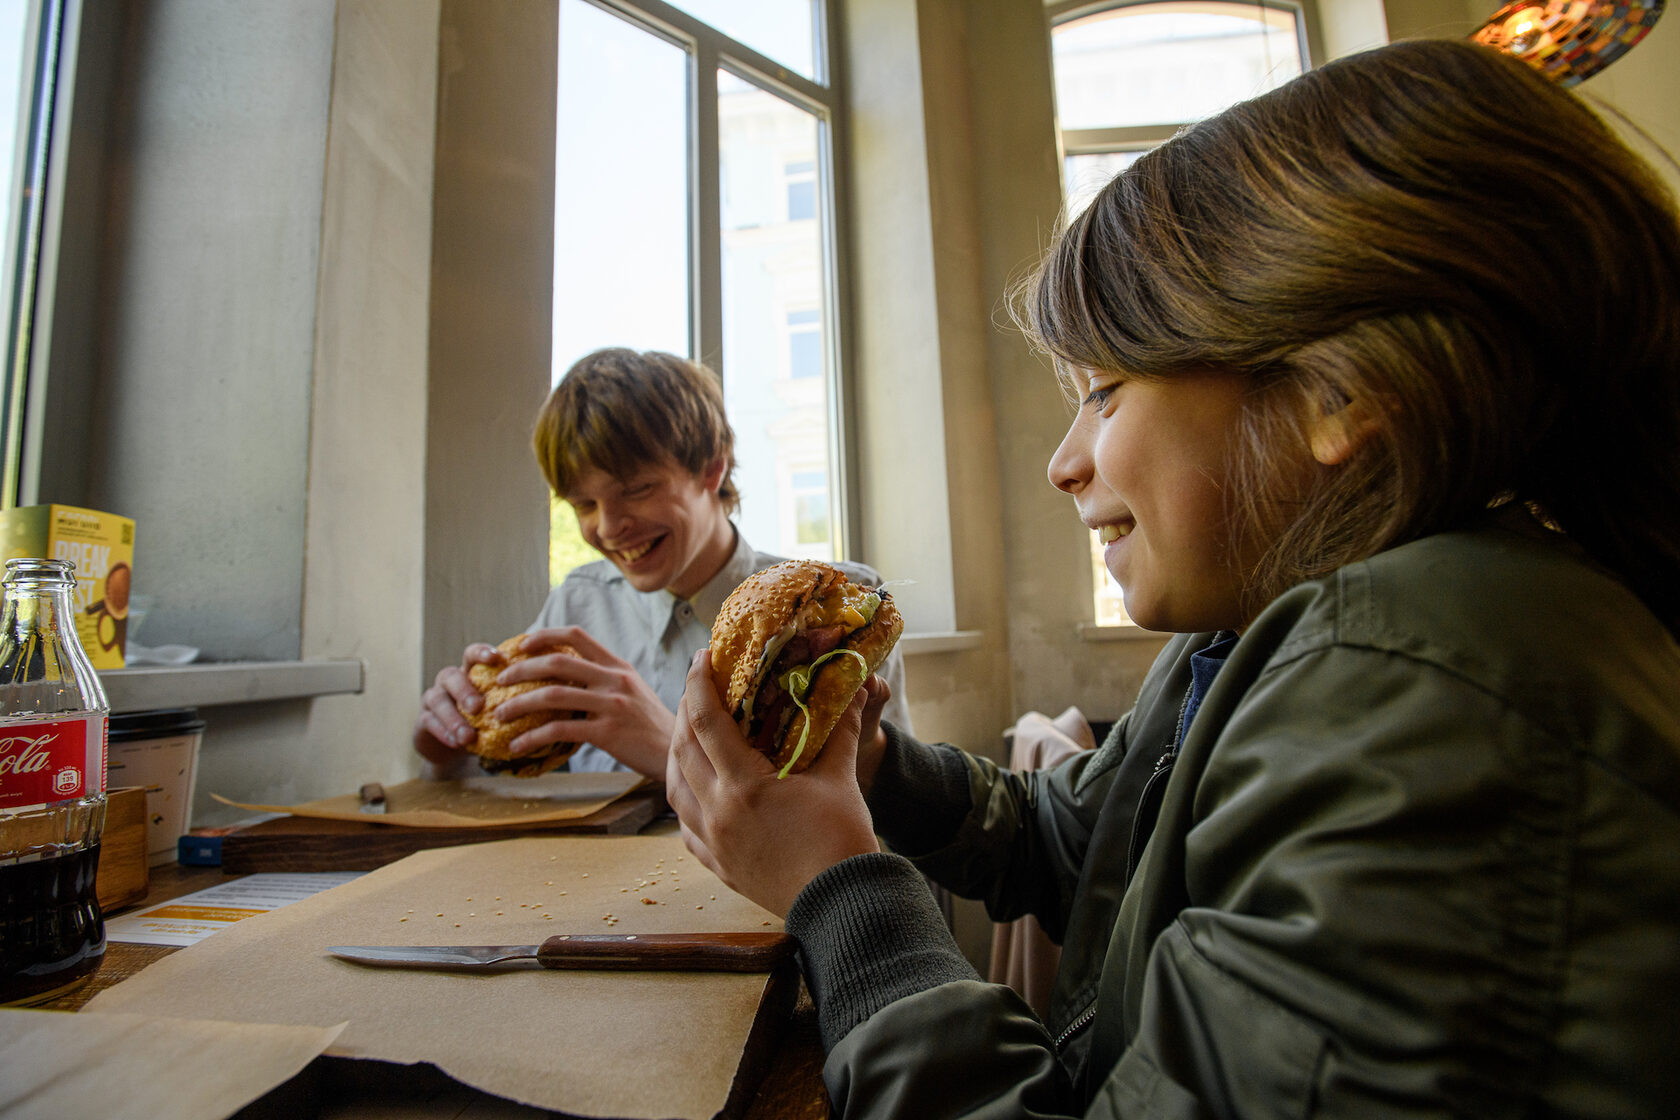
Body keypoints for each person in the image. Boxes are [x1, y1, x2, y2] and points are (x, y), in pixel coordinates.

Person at [665, 38, 1680, 1118]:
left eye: (1103, 391)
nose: (1065, 462)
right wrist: (876, 769)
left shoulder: (1428, 684)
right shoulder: (1248, 636)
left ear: (1340, 394)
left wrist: (844, 897)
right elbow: (1077, 840)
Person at [414, 346, 912, 781]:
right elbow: (515, 774)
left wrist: (669, 747)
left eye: (636, 490)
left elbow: (885, 813)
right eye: (583, 505)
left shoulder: (839, 608)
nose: (607, 527)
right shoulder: (578, 605)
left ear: (712, 468)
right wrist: (449, 744)